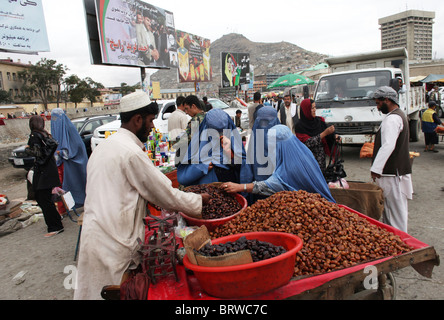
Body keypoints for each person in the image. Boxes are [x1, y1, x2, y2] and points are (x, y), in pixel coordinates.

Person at [74, 91, 209, 300]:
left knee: (94, 291)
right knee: (114, 291)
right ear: (137, 120)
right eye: (150, 121)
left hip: (94, 234)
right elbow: (164, 194)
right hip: (115, 242)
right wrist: (199, 201)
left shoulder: (105, 146)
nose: (153, 127)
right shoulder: (130, 152)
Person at [221, 124, 335, 203]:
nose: (270, 148)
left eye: (272, 144)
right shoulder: (303, 152)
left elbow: (270, 185)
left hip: (315, 207)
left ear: (279, 145)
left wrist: (240, 187)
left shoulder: (290, 168)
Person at [370, 86, 413, 233]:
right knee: (393, 214)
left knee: (394, 215)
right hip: (396, 173)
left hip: (392, 175)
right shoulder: (399, 115)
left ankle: (402, 245)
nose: (377, 107)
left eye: (378, 103)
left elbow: (388, 146)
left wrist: (376, 169)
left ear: (387, 100)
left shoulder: (393, 119)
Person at [177, 108, 246, 187]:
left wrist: (230, 154)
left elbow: (245, 171)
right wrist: (201, 167)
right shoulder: (197, 144)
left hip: (231, 189)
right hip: (207, 192)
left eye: (222, 131)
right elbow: (183, 177)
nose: (219, 135)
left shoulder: (233, 141)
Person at [25, 116, 64, 237]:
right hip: (49, 171)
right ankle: (56, 221)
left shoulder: (35, 136)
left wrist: (28, 150)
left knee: (43, 199)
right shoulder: (45, 134)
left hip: (43, 173)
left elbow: (38, 153)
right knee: (47, 199)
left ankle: (55, 226)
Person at [50, 108, 88, 208]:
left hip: (71, 165)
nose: (54, 121)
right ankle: (66, 207)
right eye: (52, 118)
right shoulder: (56, 131)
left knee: (75, 186)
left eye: (56, 118)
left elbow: (77, 146)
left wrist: (61, 153)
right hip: (61, 166)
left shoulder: (70, 130)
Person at [295, 99, 339, 174]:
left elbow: (328, 134)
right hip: (307, 160)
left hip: (321, 160)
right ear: (306, 110)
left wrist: (335, 136)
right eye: (312, 108)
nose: (314, 110)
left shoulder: (319, 121)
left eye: (315, 107)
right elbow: (307, 143)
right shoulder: (299, 126)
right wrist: (324, 133)